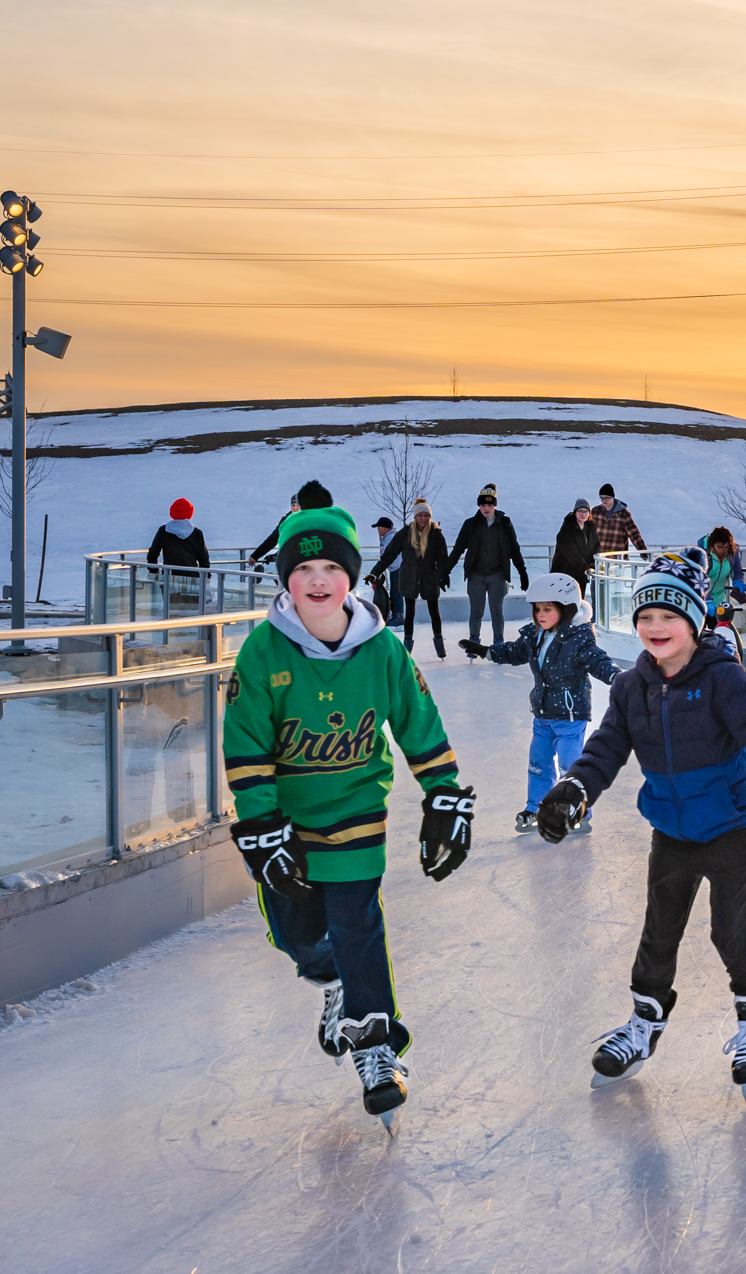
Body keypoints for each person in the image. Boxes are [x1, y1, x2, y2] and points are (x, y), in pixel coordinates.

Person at [221, 480, 474, 1134]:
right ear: (286, 577)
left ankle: (377, 1046)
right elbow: (245, 743)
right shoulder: (262, 651)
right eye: (303, 567)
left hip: (358, 810)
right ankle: (325, 974)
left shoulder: (382, 648)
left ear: (352, 576)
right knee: (295, 930)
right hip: (286, 821)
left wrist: (443, 793)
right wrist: (261, 824)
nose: (317, 578)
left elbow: (419, 722)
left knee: (358, 923)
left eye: (331, 566)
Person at [536, 555, 746, 1101]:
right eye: (646, 615)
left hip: (729, 826)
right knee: (659, 929)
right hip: (670, 828)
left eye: (669, 615)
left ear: (693, 621)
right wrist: (574, 789)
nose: (655, 627)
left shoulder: (723, 678)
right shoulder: (630, 687)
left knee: (728, 929)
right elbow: (604, 750)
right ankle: (644, 1022)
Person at [459, 571, 619, 834]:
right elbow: (514, 651)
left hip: (570, 715)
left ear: (566, 609)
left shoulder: (579, 639)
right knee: (538, 763)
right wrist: (485, 651)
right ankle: (537, 807)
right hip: (543, 714)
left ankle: (578, 809)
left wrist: (616, 676)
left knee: (570, 764)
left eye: (547, 609)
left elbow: (598, 660)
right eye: (537, 609)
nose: (540, 614)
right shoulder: (536, 636)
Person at [367, 500, 451, 658]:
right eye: (420, 515)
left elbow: (442, 559)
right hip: (410, 577)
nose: (423, 518)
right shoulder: (405, 534)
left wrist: (443, 576)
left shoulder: (436, 534)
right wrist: (374, 573)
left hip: (430, 578)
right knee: (410, 613)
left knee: (434, 612)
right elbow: (389, 555)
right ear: (415, 516)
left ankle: (439, 644)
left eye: (426, 515)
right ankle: (407, 645)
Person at [448, 484, 528, 648]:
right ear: (478, 505)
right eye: (483, 505)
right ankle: (474, 640)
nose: (486, 508)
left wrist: (522, 572)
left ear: (495, 505)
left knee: (496, 610)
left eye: (489, 504)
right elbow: (458, 549)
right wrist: (445, 571)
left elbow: (514, 548)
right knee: (476, 611)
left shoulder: (505, 524)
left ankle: (498, 641)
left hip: (497, 575)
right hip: (476, 575)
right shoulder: (470, 524)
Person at [695, 526, 746, 615]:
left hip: (719, 597)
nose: (722, 550)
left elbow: (736, 570)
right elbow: (701, 579)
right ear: (712, 545)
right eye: (719, 547)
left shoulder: (733, 552)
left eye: (726, 547)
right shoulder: (702, 554)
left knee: (718, 627)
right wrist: (707, 600)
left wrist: (738, 581)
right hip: (700, 597)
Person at [551, 498, 601, 593]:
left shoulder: (591, 528)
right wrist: (584, 567)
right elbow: (570, 552)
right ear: (575, 512)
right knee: (566, 603)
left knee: (579, 601)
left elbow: (596, 546)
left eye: (586, 511)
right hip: (565, 573)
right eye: (580, 511)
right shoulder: (567, 528)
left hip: (582, 573)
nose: (583, 514)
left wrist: (593, 564)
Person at [148, 499, 211, 568]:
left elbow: (153, 553)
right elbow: (204, 559)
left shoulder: (164, 530)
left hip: (169, 574)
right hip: (192, 574)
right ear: (190, 513)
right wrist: (206, 576)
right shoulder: (197, 533)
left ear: (172, 512)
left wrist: (153, 571)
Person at [591, 483, 648, 558]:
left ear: (613, 497)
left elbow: (634, 534)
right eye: (602, 498)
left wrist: (643, 552)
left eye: (607, 498)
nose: (604, 500)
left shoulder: (623, 513)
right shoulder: (595, 512)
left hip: (618, 559)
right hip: (600, 558)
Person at [248, 494, 301, 567]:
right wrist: (255, 556)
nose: (295, 508)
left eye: (298, 505)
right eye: (293, 505)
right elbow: (273, 539)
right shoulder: (285, 521)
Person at [367, 517, 395, 621]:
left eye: (379, 527)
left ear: (385, 528)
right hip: (393, 567)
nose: (378, 530)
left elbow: (387, 557)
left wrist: (376, 572)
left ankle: (398, 616)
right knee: (394, 593)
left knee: (396, 593)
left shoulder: (390, 538)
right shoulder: (387, 538)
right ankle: (395, 615)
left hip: (396, 568)